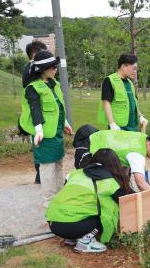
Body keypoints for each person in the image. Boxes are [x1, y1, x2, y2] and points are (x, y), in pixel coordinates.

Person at [46, 149, 134, 253]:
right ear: (114, 165)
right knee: (104, 212)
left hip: (53, 224)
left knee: (84, 207)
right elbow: (127, 200)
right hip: (72, 225)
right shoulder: (108, 182)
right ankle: (85, 243)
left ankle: (73, 237)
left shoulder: (74, 174)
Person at [19, 51, 73, 206]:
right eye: (52, 67)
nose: (55, 69)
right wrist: (38, 131)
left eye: (55, 66)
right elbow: (35, 110)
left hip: (56, 133)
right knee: (47, 167)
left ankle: (59, 195)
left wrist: (66, 123)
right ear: (42, 69)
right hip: (44, 135)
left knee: (58, 163)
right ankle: (49, 201)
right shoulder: (33, 88)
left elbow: (58, 107)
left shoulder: (54, 84)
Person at [98, 54, 148, 131]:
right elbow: (106, 103)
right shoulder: (109, 80)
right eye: (133, 69)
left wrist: (140, 116)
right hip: (118, 127)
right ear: (124, 66)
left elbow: (134, 103)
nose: (135, 72)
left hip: (133, 126)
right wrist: (112, 124)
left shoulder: (130, 83)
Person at [22, 41, 47, 184]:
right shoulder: (32, 68)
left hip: (40, 112)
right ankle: (40, 174)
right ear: (36, 55)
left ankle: (41, 174)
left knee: (41, 143)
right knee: (39, 142)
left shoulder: (33, 67)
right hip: (35, 113)